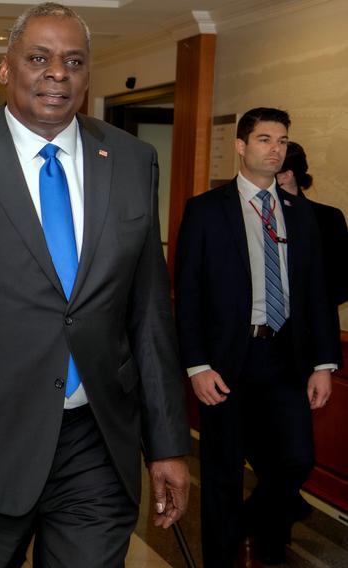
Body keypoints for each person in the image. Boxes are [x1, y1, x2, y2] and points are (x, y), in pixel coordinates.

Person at [0, 3, 190, 566]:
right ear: (5, 69)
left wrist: (167, 444)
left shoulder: (131, 161)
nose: (57, 73)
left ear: (88, 74)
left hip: (95, 441)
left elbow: (147, 314)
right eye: (39, 58)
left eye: (73, 61)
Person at [175, 108, 341, 566]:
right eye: (265, 139)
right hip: (228, 362)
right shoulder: (206, 211)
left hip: (285, 360)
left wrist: (325, 364)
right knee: (223, 474)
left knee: (296, 460)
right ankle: (222, 556)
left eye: (282, 140)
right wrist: (196, 364)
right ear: (242, 146)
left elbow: (317, 293)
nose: (275, 149)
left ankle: (248, 526)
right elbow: (187, 293)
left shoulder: (299, 213)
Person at [277, 141, 348, 307]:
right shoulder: (258, 213)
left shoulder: (329, 218)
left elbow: (343, 281)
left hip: (312, 325)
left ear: (285, 176)